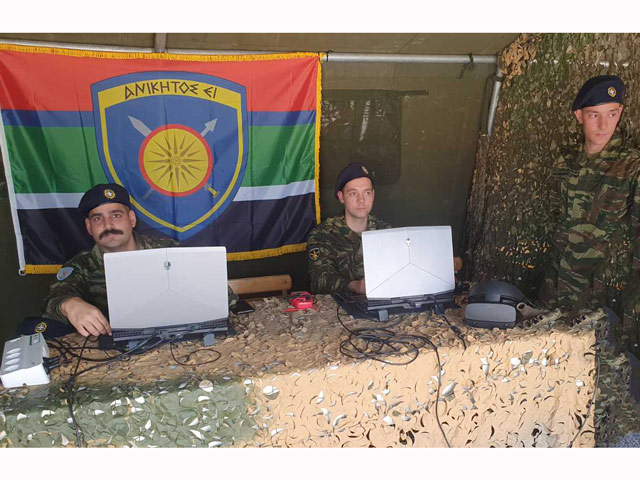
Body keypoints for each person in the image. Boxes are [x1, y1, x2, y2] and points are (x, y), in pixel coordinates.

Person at [40, 183, 236, 337]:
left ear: (132, 219)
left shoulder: (168, 251)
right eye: (98, 219)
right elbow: (53, 299)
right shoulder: (81, 266)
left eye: (116, 215)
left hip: (178, 342)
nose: (108, 225)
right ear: (89, 227)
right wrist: (70, 304)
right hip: (113, 355)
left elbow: (224, 297)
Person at [540, 75, 640, 329]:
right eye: (594, 115)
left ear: (620, 112)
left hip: (606, 298)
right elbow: (555, 221)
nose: (604, 124)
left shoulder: (632, 167)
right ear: (579, 115)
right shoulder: (564, 162)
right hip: (556, 292)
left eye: (612, 114)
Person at [307, 162, 390, 294]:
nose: (361, 200)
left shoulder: (386, 232)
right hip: (338, 305)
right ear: (341, 197)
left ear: (373, 195)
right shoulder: (323, 234)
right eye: (353, 193)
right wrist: (355, 286)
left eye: (367, 193)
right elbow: (319, 280)